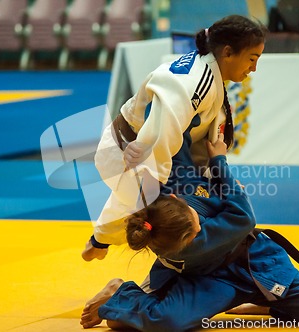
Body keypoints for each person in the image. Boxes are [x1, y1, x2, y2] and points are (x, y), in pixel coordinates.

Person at [80, 131, 299, 331]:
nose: (200, 227)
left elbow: (174, 130)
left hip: (255, 262)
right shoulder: (194, 240)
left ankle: (266, 301)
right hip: (210, 282)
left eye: (194, 221)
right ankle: (121, 292)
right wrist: (219, 162)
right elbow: (244, 214)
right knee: (166, 322)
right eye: (196, 231)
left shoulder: (171, 186)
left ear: (176, 199)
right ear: (183, 243)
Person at [82, 15, 268, 261]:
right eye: (252, 59)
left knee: (197, 204)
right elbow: (155, 143)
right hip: (130, 154)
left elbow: (191, 144)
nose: (254, 68)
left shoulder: (209, 74)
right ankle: (149, 286)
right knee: (182, 224)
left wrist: (215, 182)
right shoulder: (191, 85)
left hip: (153, 160)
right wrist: (182, 201)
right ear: (228, 52)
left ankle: (99, 242)